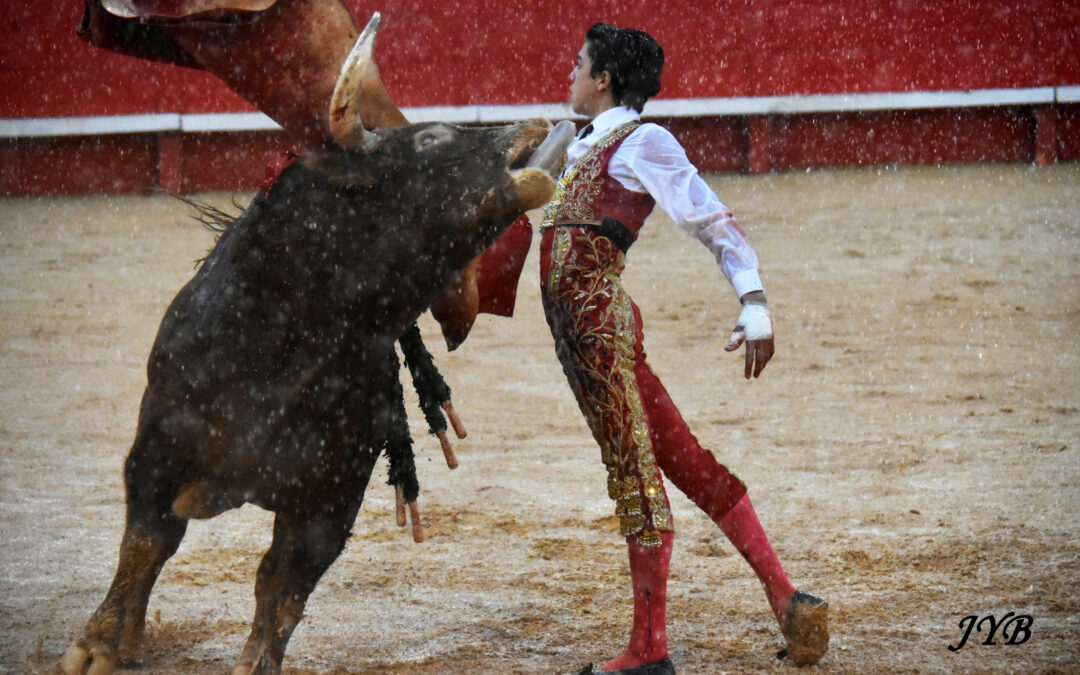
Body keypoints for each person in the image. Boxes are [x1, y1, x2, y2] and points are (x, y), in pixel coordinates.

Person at [530, 23, 829, 674]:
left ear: (604, 78)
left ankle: (649, 650)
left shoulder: (645, 141)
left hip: (601, 331)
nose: (570, 74)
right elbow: (515, 184)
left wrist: (753, 301)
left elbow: (712, 219)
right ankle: (789, 601)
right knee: (684, 461)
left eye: (579, 64)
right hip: (584, 337)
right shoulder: (577, 141)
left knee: (636, 475)